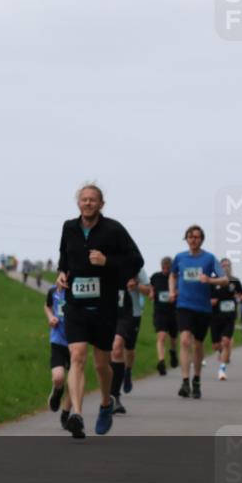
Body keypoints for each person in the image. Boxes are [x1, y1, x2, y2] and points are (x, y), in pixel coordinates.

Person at [56, 184, 144, 438]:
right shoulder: (68, 228)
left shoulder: (114, 230)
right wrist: (62, 273)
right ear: (78, 203)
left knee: (101, 364)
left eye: (93, 200)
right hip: (76, 305)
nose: (88, 203)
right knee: (77, 355)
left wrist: (108, 262)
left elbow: (136, 261)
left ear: (101, 204)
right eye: (84, 199)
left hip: (105, 306)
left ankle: (106, 403)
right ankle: (78, 415)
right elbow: (64, 257)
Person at [169, 226, 228, 399]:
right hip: (184, 305)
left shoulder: (209, 258)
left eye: (197, 237)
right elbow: (172, 275)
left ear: (202, 239)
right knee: (185, 339)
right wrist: (172, 290)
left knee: (198, 345)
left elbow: (224, 279)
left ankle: (197, 380)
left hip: (202, 308)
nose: (193, 240)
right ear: (186, 239)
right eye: (190, 237)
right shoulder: (180, 257)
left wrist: (209, 279)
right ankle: (185, 381)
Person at [110, 267, 150, 413]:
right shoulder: (103, 260)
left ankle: (127, 371)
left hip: (132, 314)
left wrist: (137, 286)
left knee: (129, 348)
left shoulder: (135, 265)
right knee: (115, 348)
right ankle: (114, 396)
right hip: (109, 313)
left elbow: (149, 291)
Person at [209, 259, 242, 380]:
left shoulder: (235, 281)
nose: (226, 267)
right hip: (215, 316)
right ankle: (222, 353)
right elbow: (206, 296)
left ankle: (222, 369)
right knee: (216, 345)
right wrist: (210, 301)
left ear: (231, 267)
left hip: (229, 316)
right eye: (223, 265)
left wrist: (241, 297)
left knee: (225, 341)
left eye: (228, 265)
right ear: (219, 267)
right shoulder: (213, 280)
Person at [45, 283, 73, 427]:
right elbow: (47, 306)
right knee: (58, 377)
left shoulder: (79, 291)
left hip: (76, 343)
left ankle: (66, 413)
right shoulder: (53, 290)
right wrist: (51, 317)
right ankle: (57, 391)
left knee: (73, 381)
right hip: (58, 340)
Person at [150, 257, 179, 375]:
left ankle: (172, 352)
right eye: (164, 268)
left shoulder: (176, 277)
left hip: (174, 312)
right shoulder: (155, 277)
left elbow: (181, 290)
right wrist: (152, 292)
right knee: (161, 336)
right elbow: (152, 287)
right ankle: (161, 361)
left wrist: (175, 293)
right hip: (160, 311)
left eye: (168, 268)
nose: (166, 270)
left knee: (173, 337)